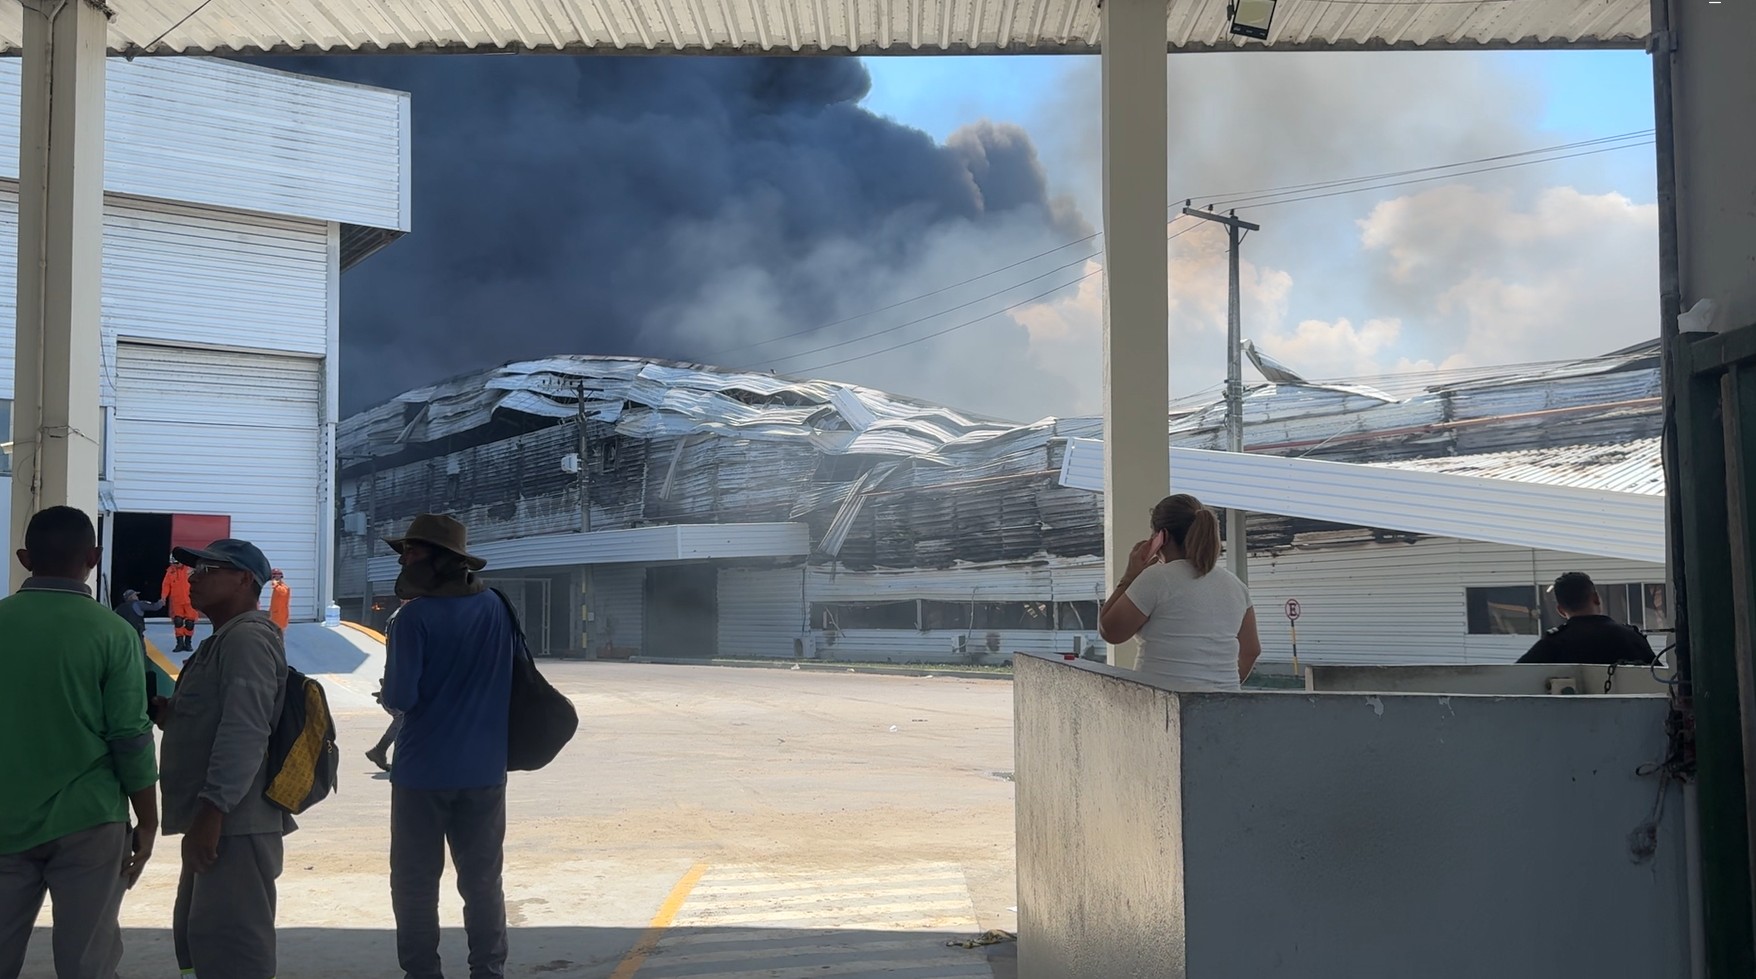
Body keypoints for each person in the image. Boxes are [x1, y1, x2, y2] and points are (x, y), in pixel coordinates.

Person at [0, 507, 158, 979]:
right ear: (93, 556)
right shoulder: (113, 632)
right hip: (90, 820)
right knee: (86, 962)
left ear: (25, 558)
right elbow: (130, 736)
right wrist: (147, 820)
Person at [382, 514, 515, 979]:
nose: (404, 560)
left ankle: (422, 973)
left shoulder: (412, 618)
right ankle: (489, 971)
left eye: (412, 552)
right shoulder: (497, 606)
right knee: (482, 882)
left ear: (441, 560)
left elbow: (400, 698)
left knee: (415, 883)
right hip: (485, 771)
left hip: (423, 774)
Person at [155, 539, 292, 979]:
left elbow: (245, 731)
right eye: (194, 570)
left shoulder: (247, 639)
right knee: (202, 943)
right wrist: (170, 714)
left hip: (234, 823)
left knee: (232, 950)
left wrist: (212, 814)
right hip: (219, 820)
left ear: (244, 580)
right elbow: (219, 718)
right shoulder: (223, 641)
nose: (193, 578)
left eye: (208, 569)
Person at [1097, 493, 1262, 691]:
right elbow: (1251, 651)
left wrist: (1130, 576)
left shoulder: (1156, 578)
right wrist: (1223, 685)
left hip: (1162, 703)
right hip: (1224, 704)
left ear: (1161, 537)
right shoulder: (1236, 586)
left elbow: (1111, 631)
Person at [1518, 572, 1658, 666]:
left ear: (1561, 610)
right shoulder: (1630, 637)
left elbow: (1515, 675)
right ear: (1596, 598)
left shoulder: (1552, 643)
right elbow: (1660, 679)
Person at [366, 600, 411, 773]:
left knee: (403, 718)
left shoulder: (397, 617)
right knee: (405, 718)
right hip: (400, 674)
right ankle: (386, 752)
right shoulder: (403, 618)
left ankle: (381, 750)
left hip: (395, 673)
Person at [162, 557, 197, 653]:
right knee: (178, 621)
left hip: (190, 601)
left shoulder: (190, 570)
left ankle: (188, 642)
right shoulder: (170, 571)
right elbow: (166, 585)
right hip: (177, 601)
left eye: (177, 563)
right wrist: (164, 596)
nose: (175, 565)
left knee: (190, 623)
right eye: (174, 563)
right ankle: (179, 643)